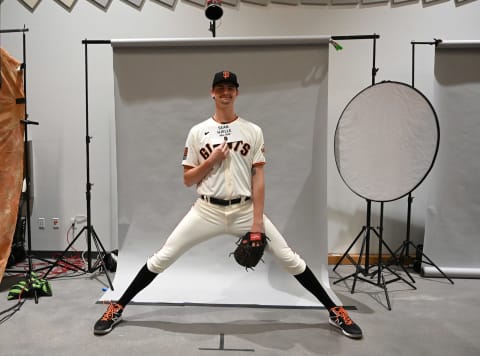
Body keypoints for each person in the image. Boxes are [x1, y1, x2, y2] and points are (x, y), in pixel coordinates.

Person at [94, 71, 363, 339]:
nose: (225, 92)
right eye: (220, 87)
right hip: (206, 210)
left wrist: (257, 223)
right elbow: (188, 179)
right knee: (163, 257)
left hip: (244, 211)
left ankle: (334, 310)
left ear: (237, 93)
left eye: (230, 87)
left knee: (289, 258)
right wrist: (211, 161)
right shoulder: (198, 132)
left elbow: (258, 178)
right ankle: (117, 307)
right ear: (212, 92)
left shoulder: (252, 130)